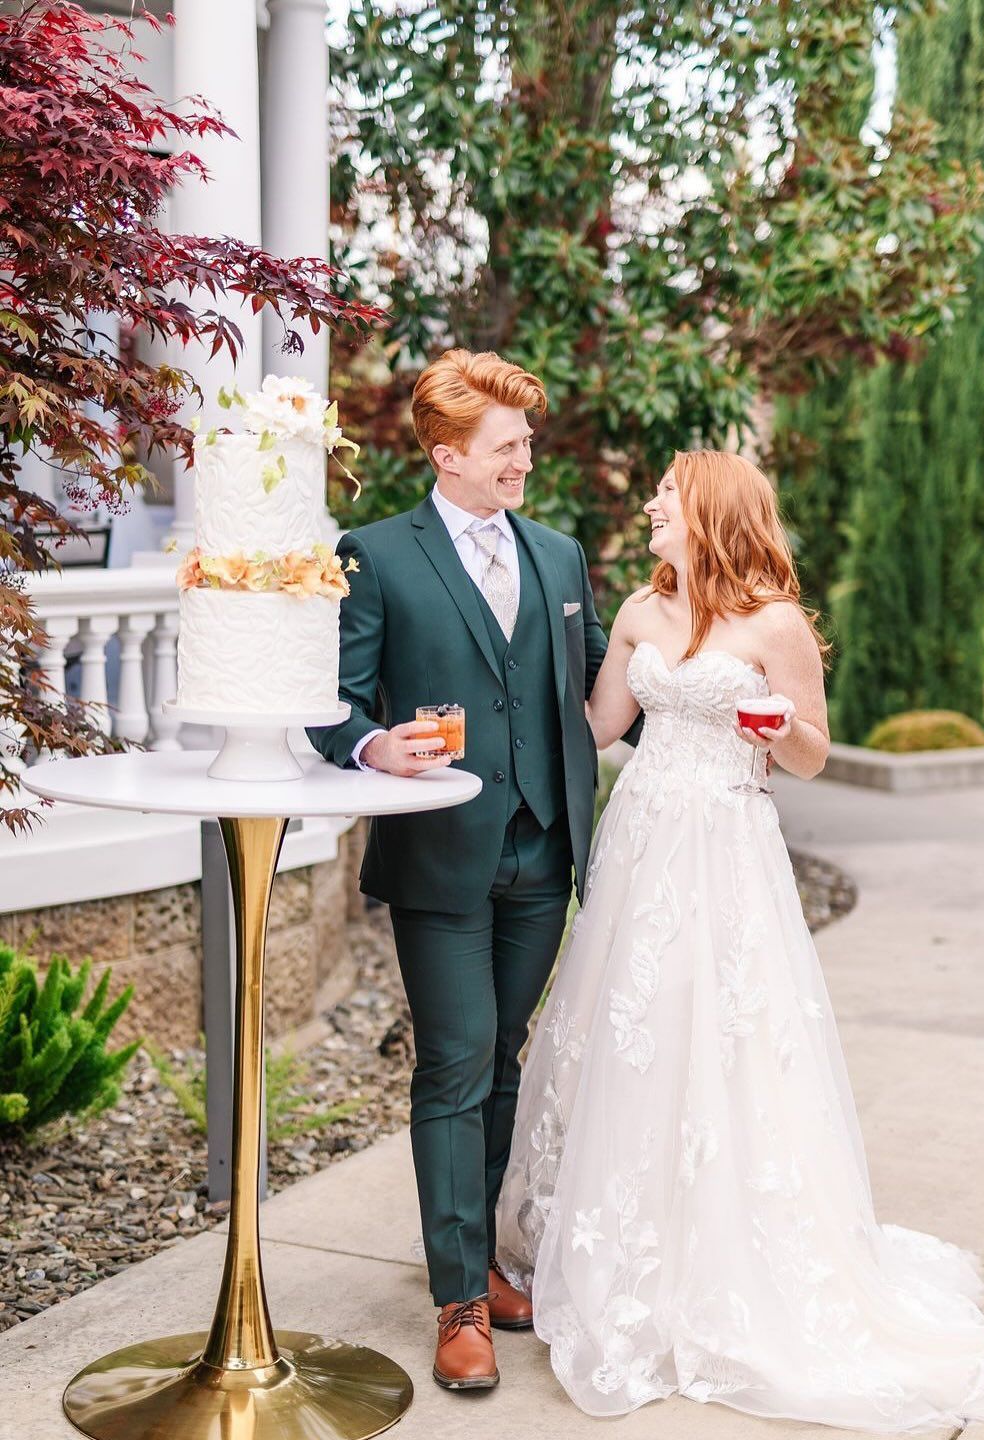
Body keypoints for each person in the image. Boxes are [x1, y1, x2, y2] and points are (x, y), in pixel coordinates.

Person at [495, 449, 984, 1428]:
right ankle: (619, 1237)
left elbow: (812, 751)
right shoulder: (638, 610)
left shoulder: (776, 623)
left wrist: (772, 727)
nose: (652, 507)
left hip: (725, 850)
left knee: (726, 1043)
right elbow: (594, 730)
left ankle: (718, 1250)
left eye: (668, 496)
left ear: (713, 511)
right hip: (640, 850)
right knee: (627, 1037)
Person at [308, 348, 622, 1392]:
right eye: (506, 448)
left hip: (543, 848)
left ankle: (476, 1256)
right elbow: (330, 701)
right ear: (447, 456)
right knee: (455, 1060)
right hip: (440, 852)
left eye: (526, 443)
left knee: (503, 1060)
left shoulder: (562, 556)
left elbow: (597, 688)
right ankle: (458, 1301)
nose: (524, 461)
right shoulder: (376, 554)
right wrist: (372, 746)